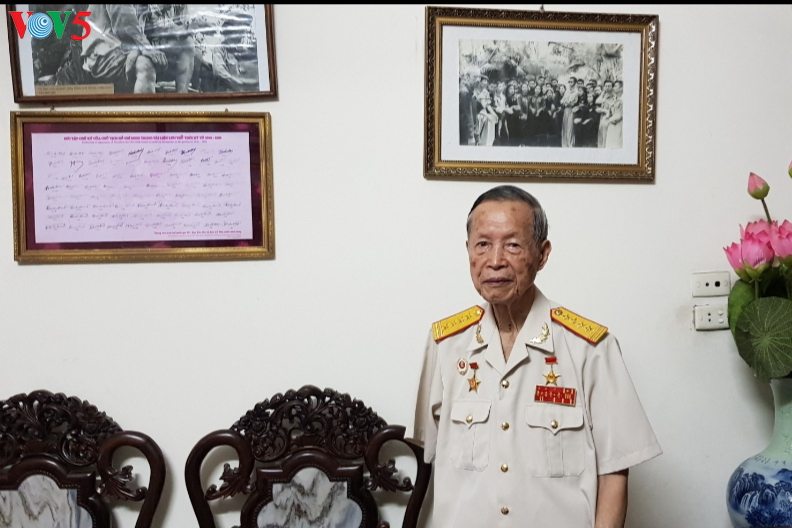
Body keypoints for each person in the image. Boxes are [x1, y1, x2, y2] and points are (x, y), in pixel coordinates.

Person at [411, 185, 661, 528]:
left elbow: (615, 471)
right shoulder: (444, 344)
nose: (495, 260)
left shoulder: (590, 349)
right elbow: (427, 460)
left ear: (542, 255)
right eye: (482, 244)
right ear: (468, 250)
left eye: (513, 245)